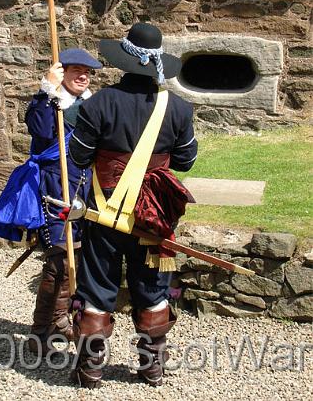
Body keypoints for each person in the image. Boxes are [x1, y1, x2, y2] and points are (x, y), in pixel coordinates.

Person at [69, 23, 198, 388]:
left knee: (96, 285)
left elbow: (78, 156)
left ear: (125, 60)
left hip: (103, 214)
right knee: (154, 286)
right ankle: (152, 367)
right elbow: (186, 160)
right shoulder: (179, 108)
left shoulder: (97, 104)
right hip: (153, 218)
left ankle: (91, 369)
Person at [25, 48, 102, 353]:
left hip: (83, 189)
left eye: (87, 72)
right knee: (58, 260)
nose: (83, 76)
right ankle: (39, 330)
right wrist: (47, 87)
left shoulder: (89, 105)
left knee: (76, 257)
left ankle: (60, 320)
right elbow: (40, 130)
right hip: (55, 190)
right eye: (75, 71)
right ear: (62, 73)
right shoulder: (49, 103)